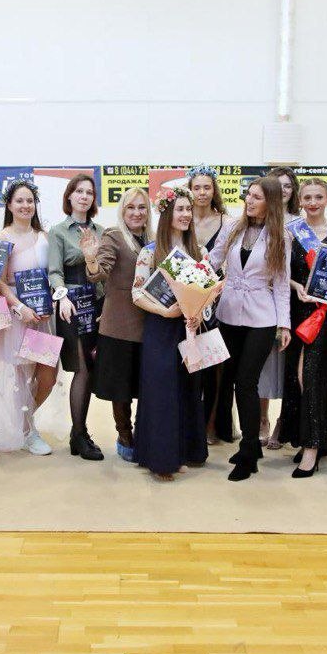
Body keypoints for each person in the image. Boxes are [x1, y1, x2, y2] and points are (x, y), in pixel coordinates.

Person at [208, 176, 292, 481]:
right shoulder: (232, 227)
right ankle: (251, 446)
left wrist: (284, 324)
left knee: (247, 382)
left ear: (271, 202)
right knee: (230, 379)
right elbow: (213, 260)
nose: (249, 201)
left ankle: (248, 450)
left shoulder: (281, 236)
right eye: (248, 195)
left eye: (257, 197)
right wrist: (186, 273)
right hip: (229, 313)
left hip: (261, 318)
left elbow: (281, 283)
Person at [131, 187, 206, 480]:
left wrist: (198, 312)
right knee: (161, 391)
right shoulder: (150, 251)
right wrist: (164, 312)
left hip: (189, 328)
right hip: (160, 328)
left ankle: (183, 452)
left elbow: (206, 292)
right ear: (167, 214)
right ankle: (160, 458)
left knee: (187, 389)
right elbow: (137, 294)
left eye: (189, 209)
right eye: (180, 209)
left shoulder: (199, 252)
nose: (186, 215)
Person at [280, 178, 327, 477]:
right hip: (297, 310)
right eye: (307, 197)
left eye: (318, 197)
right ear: (300, 200)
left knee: (311, 376)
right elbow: (279, 272)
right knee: (295, 378)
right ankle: (311, 438)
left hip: (326, 315)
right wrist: (296, 286)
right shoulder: (290, 231)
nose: (312, 203)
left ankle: (312, 448)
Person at [0, 179, 58, 453]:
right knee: (22, 376)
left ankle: (24, 420)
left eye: (30, 201)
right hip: (18, 315)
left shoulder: (45, 236)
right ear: (9, 205)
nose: (26, 205)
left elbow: (53, 273)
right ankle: (28, 431)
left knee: (48, 375)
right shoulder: (2, 238)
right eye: (20, 201)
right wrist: (19, 308)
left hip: (44, 315)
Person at [83, 186, 152, 461]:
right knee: (121, 388)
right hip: (120, 325)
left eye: (142, 207)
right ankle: (125, 436)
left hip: (151, 323)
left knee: (146, 385)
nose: (136, 212)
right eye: (130, 207)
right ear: (122, 211)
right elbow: (100, 272)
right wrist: (91, 257)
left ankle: (145, 434)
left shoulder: (154, 238)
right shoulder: (114, 235)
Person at [47, 173, 105, 461]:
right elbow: (54, 271)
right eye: (79, 191)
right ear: (69, 196)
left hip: (97, 304)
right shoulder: (58, 231)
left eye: (89, 192)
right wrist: (62, 296)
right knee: (81, 368)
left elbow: (105, 270)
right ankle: (80, 434)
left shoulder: (102, 231)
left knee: (91, 369)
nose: (84, 196)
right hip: (70, 305)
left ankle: (76, 434)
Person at [189, 166, 234, 444]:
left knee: (216, 363)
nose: (202, 192)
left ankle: (212, 424)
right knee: (191, 361)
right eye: (197, 187)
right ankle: (190, 422)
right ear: (190, 190)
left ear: (214, 190)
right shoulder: (182, 217)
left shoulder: (227, 222)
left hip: (218, 300)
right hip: (187, 300)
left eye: (207, 187)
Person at [259, 167, 300, 447]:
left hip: (292, 302)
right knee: (261, 364)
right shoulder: (259, 220)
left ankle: (282, 422)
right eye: (277, 185)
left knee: (288, 366)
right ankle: (261, 418)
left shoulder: (300, 224)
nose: (282, 190)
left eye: (287, 186)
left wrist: (293, 286)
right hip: (261, 302)